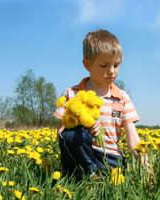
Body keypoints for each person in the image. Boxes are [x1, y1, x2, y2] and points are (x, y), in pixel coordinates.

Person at [54, 29, 149, 179]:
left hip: (111, 158)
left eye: (116, 65)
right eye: (104, 66)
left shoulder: (122, 97)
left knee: (112, 181)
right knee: (73, 134)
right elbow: (62, 135)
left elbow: (133, 139)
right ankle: (85, 177)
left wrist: (146, 167)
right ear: (87, 65)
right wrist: (83, 128)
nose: (112, 71)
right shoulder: (72, 94)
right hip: (81, 156)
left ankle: (95, 178)